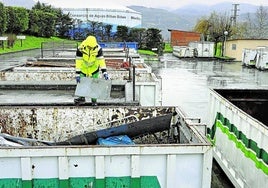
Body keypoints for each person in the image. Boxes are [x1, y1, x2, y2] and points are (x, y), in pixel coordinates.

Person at [74, 35, 109, 106]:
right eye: (90, 47)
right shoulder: (80, 49)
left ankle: (94, 101)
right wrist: (77, 74)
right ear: (86, 45)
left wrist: (104, 72)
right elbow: (78, 61)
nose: (91, 48)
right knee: (82, 83)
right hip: (83, 68)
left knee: (94, 84)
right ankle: (81, 98)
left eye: (92, 47)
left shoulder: (98, 49)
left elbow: (101, 60)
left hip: (94, 68)